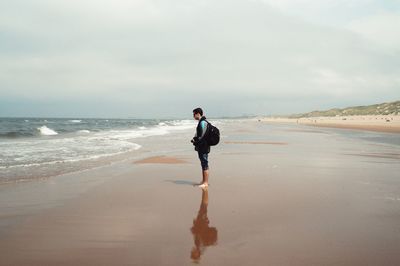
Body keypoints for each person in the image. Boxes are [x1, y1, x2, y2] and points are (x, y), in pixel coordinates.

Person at [191, 107, 210, 188]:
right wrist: (194, 140)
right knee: (203, 163)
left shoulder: (203, 122)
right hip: (202, 146)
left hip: (204, 146)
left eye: (194, 114)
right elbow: (199, 135)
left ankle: (205, 182)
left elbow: (202, 136)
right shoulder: (201, 122)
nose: (193, 116)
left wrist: (196, 141)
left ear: (198, 114)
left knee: (205, 163)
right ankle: (203, 181)